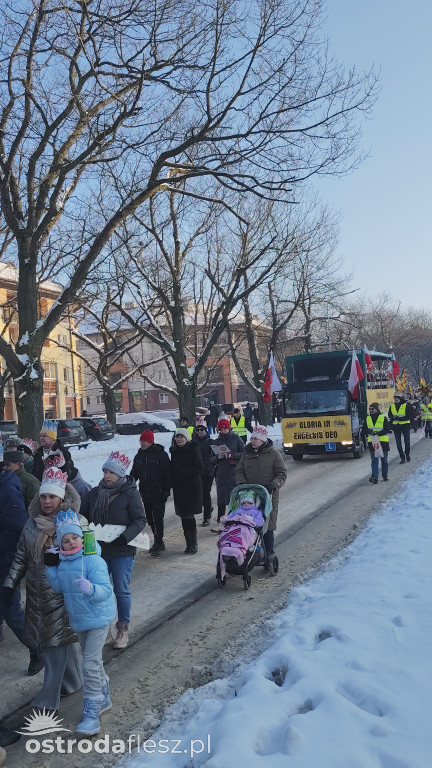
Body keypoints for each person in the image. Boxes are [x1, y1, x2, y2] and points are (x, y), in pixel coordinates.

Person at [3, 468, 85, 712]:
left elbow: (90, 559)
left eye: (52, 497)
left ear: (62, 498)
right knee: (63, 643)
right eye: (43, 496)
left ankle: (48, 700)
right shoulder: (31, 524)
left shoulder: (75, 523)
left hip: (65, 596)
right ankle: (74, 682)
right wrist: (10, 583)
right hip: (38, 596)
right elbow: (21, 556)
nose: (47, 501)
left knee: (53, 648)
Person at [45, 511, 116, 736]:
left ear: (81, 537)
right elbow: (58, 586)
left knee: (89, 663)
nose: (70, 542)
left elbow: (105, 591)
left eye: (74, 537)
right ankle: (104, 694)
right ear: (61, 544)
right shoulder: (64, 564)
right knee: (92, 661)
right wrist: (50, 566)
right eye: (65, 540)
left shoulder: (93, 560)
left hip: (98, 618)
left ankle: (93, 708)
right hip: (80, 620)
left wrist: (91, 589)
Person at [81, 451, 146, 649]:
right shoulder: (94, 492)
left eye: (111, 472)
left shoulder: (130, 493)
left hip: (122, 551)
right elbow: (83, 517)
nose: (107, 476)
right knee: (99, 590)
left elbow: (140, 520)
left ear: (120, 474)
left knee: (121, 590)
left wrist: (125, 537)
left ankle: (122, 628)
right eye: (105, 471)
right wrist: (84, 531)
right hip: (98, 551)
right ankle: (103, 627)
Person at [0, 468, 44, 675]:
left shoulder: (8, 490)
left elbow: (18, 528)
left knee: (11, 610)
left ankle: (37, 649)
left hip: (5, 563)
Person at [236, 424, 287, 555]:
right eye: (251, 438)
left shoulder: (274, 454)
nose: (252, 441)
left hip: (268, 496)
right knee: (248, 524)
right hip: (249, 497)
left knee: (267, 526)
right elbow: (239, 471)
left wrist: (274, 484)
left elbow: (282, 474)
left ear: (263, 440)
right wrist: (243, 483)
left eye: (255, 439)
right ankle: (249, 553)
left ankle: (268, 553)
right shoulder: (246, 454)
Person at [131, 430, 171, 556]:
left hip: (158, 492)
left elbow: (168, 474)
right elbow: (134, 474)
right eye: (141, 441)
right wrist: (128, 483)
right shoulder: (139, 456)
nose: (142, 443)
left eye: (144, 441)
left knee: (158, 518)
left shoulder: (161, 455)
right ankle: (158, 539)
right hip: (145, 492)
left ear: (150, 441)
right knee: (150, 519)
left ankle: (158, 542)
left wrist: (166, 489)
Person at [169, 428, 204, 554]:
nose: (179, 439)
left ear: (186, 438)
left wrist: (183, 473)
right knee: (183, 516)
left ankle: (193, 542)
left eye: (181, 437)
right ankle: (188, 543)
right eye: (177, 437)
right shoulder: (174, 451)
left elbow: (199, 467)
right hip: (179, 487)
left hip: (192, 487)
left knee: (189, 515)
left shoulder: (193, 448)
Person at [210, 419, 245, 533]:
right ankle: (220, 522)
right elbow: (211, 459)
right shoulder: (216, 442)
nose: (224, 430)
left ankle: (234, 521)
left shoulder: (236, 439)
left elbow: (244, 453)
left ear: (229, 428)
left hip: (234, 472)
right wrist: (217, 458)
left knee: (234, 497)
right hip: (221, 473)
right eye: (221, 429)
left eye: (225, 428)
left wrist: (232, 455)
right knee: (221, 499)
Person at [361, 402, 391, 483]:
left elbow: (387, 429)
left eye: (372, 409)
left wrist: (377, 433)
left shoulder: (383, 418)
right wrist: (369, 431)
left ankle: (385, 475)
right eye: (370, 409)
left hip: (383, 442)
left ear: (377, 409)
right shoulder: (368, 419)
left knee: (384, 460)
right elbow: (363, 431)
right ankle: (375, 477)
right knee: (374, 461)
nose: (371, 411)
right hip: (372, 443)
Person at [192, 419, 214, 526]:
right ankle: (208, 508)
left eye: (202, 430)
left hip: (208, 472)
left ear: (206, 431)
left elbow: (214, 457)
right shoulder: (193, 443)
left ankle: (207, 517)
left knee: (206, 494)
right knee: (198, 494)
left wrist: (212, 468)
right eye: (198, 430)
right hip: (197, 472)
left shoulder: (210, 442)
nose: (200, 431)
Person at [388, 393, 413, 464]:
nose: (395, 400)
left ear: (400, 399)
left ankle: (407, 454)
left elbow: (408, 416)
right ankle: (402, 457)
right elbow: (390, 415)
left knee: (407, 442)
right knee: (398, 443)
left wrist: (398, 418)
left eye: (396, 399)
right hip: (396, 427)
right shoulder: (392, 406)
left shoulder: (406, 406)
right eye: (394, 399)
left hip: (405, 426)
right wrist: (392, 422)